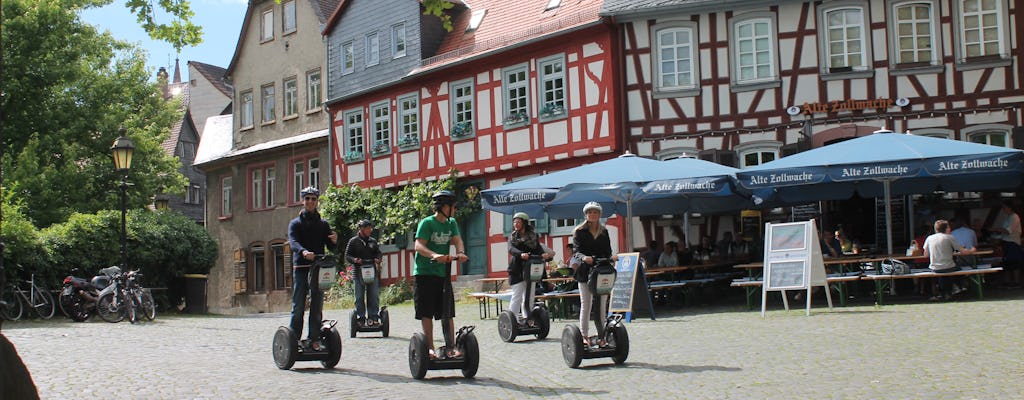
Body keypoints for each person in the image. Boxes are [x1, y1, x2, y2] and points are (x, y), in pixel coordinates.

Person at [413, 190, 469, 359]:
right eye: (453, 207)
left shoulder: (451, 223)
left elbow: (457, 239)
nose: (455, 210)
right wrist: (434, 255)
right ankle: (429, 348)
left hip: (442, 274)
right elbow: (418, 246)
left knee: (447, 311)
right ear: (444, 207)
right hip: (424, 273)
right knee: (427, 312)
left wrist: (460, 252)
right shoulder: (427, 223)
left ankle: (451, 347)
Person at [287, 186, 339, 348]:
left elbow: (331, 247)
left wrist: (334, 241)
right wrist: (303, 252)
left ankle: (314, 338)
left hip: (318, 268)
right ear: (302, 201)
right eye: (307, 198)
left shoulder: (323, 224)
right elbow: (293, 242)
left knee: (317, 305)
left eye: (313, 199)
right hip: (302, 268)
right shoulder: (295, 223)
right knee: (299, 306)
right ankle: (294, 338)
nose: (310, 201)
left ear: (317, 202)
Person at [572, 201, 617, 347]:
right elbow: (576, 251)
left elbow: (607, 251)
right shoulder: (579, 231)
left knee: (602, 303)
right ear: (586, 215)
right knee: (587, 303)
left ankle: (602, 335)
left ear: (599, 215)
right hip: (585, 271)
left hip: (601, 270)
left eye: (595, 212)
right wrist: (584, 258)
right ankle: (584, 335)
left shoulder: (604, 231)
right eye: (590, 212)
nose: (592, 215)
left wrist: (611, 258)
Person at [507, 212, 555, 325]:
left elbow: (538, 249)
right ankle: (513, 321)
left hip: (530, 270)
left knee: (529, 296)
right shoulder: (513, 237)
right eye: (514, 222)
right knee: (517, 296)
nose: (516, 224)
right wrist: (521, 254)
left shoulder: (533, 236)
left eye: (518, 222)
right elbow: (511, 249)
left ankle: (528, 319)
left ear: (524, 223)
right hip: (517, 270)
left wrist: (543, 254)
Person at [922, 219, 975, 301]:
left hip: (934, 268)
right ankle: (957, 288)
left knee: (943, 273)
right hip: (948, 267)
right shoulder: (949, 237)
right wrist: (972, 250)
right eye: (949, 227)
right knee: (958, 268)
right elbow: (963, 252)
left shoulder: (929, 238)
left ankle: (943, 293)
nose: (950, 229)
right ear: (946, 228)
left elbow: (925, 255)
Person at [345, 219, 383, 326]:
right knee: (359, 296)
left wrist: (378, 259)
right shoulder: (353, 241)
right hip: (358, 272)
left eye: (370, 228)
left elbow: (378, 253)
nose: (370, 230)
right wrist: (355, 260)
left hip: (372, 271)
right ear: (361, 229)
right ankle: (361, 318)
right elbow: (347, 256)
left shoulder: (373, 241)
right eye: (367, 228)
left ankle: (373, 317)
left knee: (374, 295)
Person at [989, 200, 1022, 287]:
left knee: (1014, 263)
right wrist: (995, 237)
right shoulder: (1008, 217)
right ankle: (1007, 282)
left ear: (1009, 208)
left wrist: (994, 229)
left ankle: (1016, 282)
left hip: (1013, 243)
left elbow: (1007, 231)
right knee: (1007, 263)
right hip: (1006, 243)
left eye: (1004, 207)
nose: (1003, 209)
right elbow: (1003, 233)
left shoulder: (1014, 217)